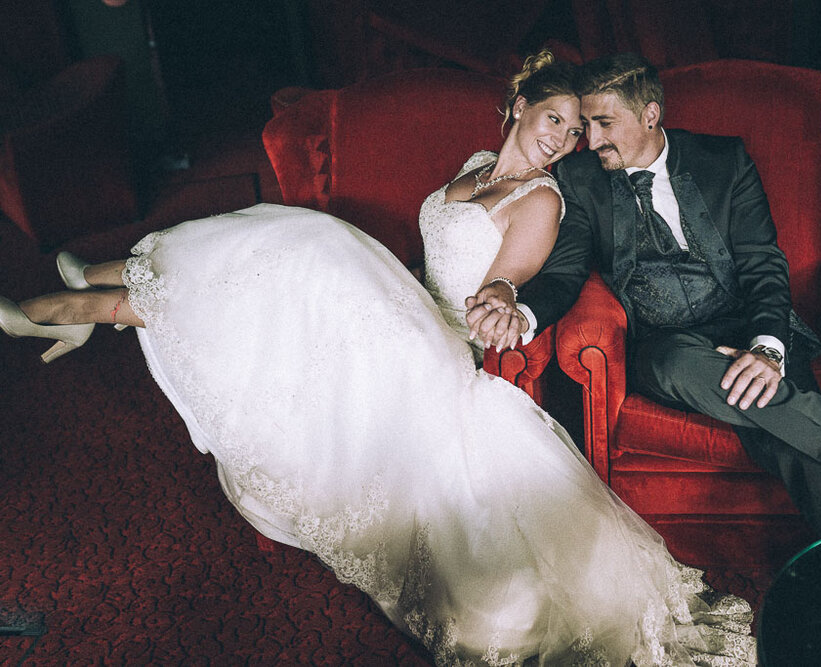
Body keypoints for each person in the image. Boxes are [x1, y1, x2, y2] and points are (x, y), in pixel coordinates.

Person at [0, 53, 756, 666]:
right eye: (551, 118)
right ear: (518, 105)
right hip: (408, 309)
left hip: (438, 343)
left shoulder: (542, 200)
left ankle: (77, 307)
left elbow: (510, 277)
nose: (561, 137)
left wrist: (500, 293)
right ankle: (103, 286)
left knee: (308, 251)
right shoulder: (476, 163)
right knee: (293, 254)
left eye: (571, 129)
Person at [467, 52, 821, 538]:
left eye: (605, 124)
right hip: (664, 344)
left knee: (796, 440)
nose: (592, 140)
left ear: (650, 114)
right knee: (677, 363)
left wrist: (766, 346)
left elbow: (764, 262)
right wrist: (524, 309)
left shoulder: (725, 160)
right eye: (589, 126)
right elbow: (563, 273)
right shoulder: (580, 178)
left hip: (747, 325)